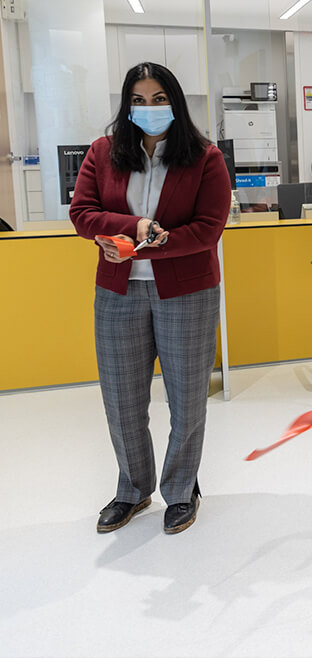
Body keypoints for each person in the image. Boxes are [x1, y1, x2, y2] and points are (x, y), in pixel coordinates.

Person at [70, 62, 231, 535]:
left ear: (175, 102)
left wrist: (159, 242)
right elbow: (83, 214)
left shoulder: (205, 157)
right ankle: (133, 489)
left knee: (186, 401)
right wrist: (131, 227)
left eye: (159, 98)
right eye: (138, 100)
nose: (149, 108)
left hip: (187, 292)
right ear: (126, 105)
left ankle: (181, 490)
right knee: (121, 399)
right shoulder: (103, 152)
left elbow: (209, 229)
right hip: (118, 290)